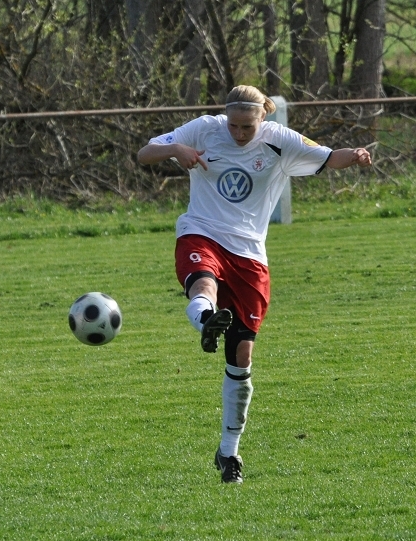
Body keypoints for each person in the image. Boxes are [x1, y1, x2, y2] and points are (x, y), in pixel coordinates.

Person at [136, 85, 372, 484]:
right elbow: (145, 153)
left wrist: (357, 155)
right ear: (225, 117)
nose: (239, 133)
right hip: (202, 232)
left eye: (247, 126)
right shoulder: (205, 128)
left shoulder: (279, 140)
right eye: (234, 125)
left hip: (249, 255)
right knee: (203, 282)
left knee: (241, 357)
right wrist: (176, 149)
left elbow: (330, 157)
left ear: (263, 117)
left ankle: (229, 452)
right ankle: (206, 319)